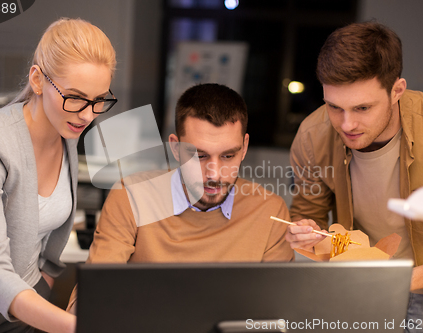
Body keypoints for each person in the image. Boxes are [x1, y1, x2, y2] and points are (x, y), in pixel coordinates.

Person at [286, 21, 423, 333]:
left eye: (363, 107)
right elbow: (307, 216)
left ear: (397, 91)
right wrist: (305, 235)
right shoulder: (312, 136)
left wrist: (399, 280)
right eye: (334, 107)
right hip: (359, 289)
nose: (347, 124)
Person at [66, 83, 293, 312]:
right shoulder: (132, 196)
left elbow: (279, 311)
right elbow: (92, 296)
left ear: (244, 147)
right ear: (175, 148)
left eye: (228, 155)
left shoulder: (269, 211)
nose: (214, 174)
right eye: (200, 156)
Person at [0, 18, 117, 333]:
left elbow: (45, 238)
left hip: (27, 303)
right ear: (38, 79)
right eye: (76, 97)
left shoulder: (65, 133)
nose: (87, 115)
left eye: (99, 100)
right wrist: (77, 326)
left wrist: (44, 276)